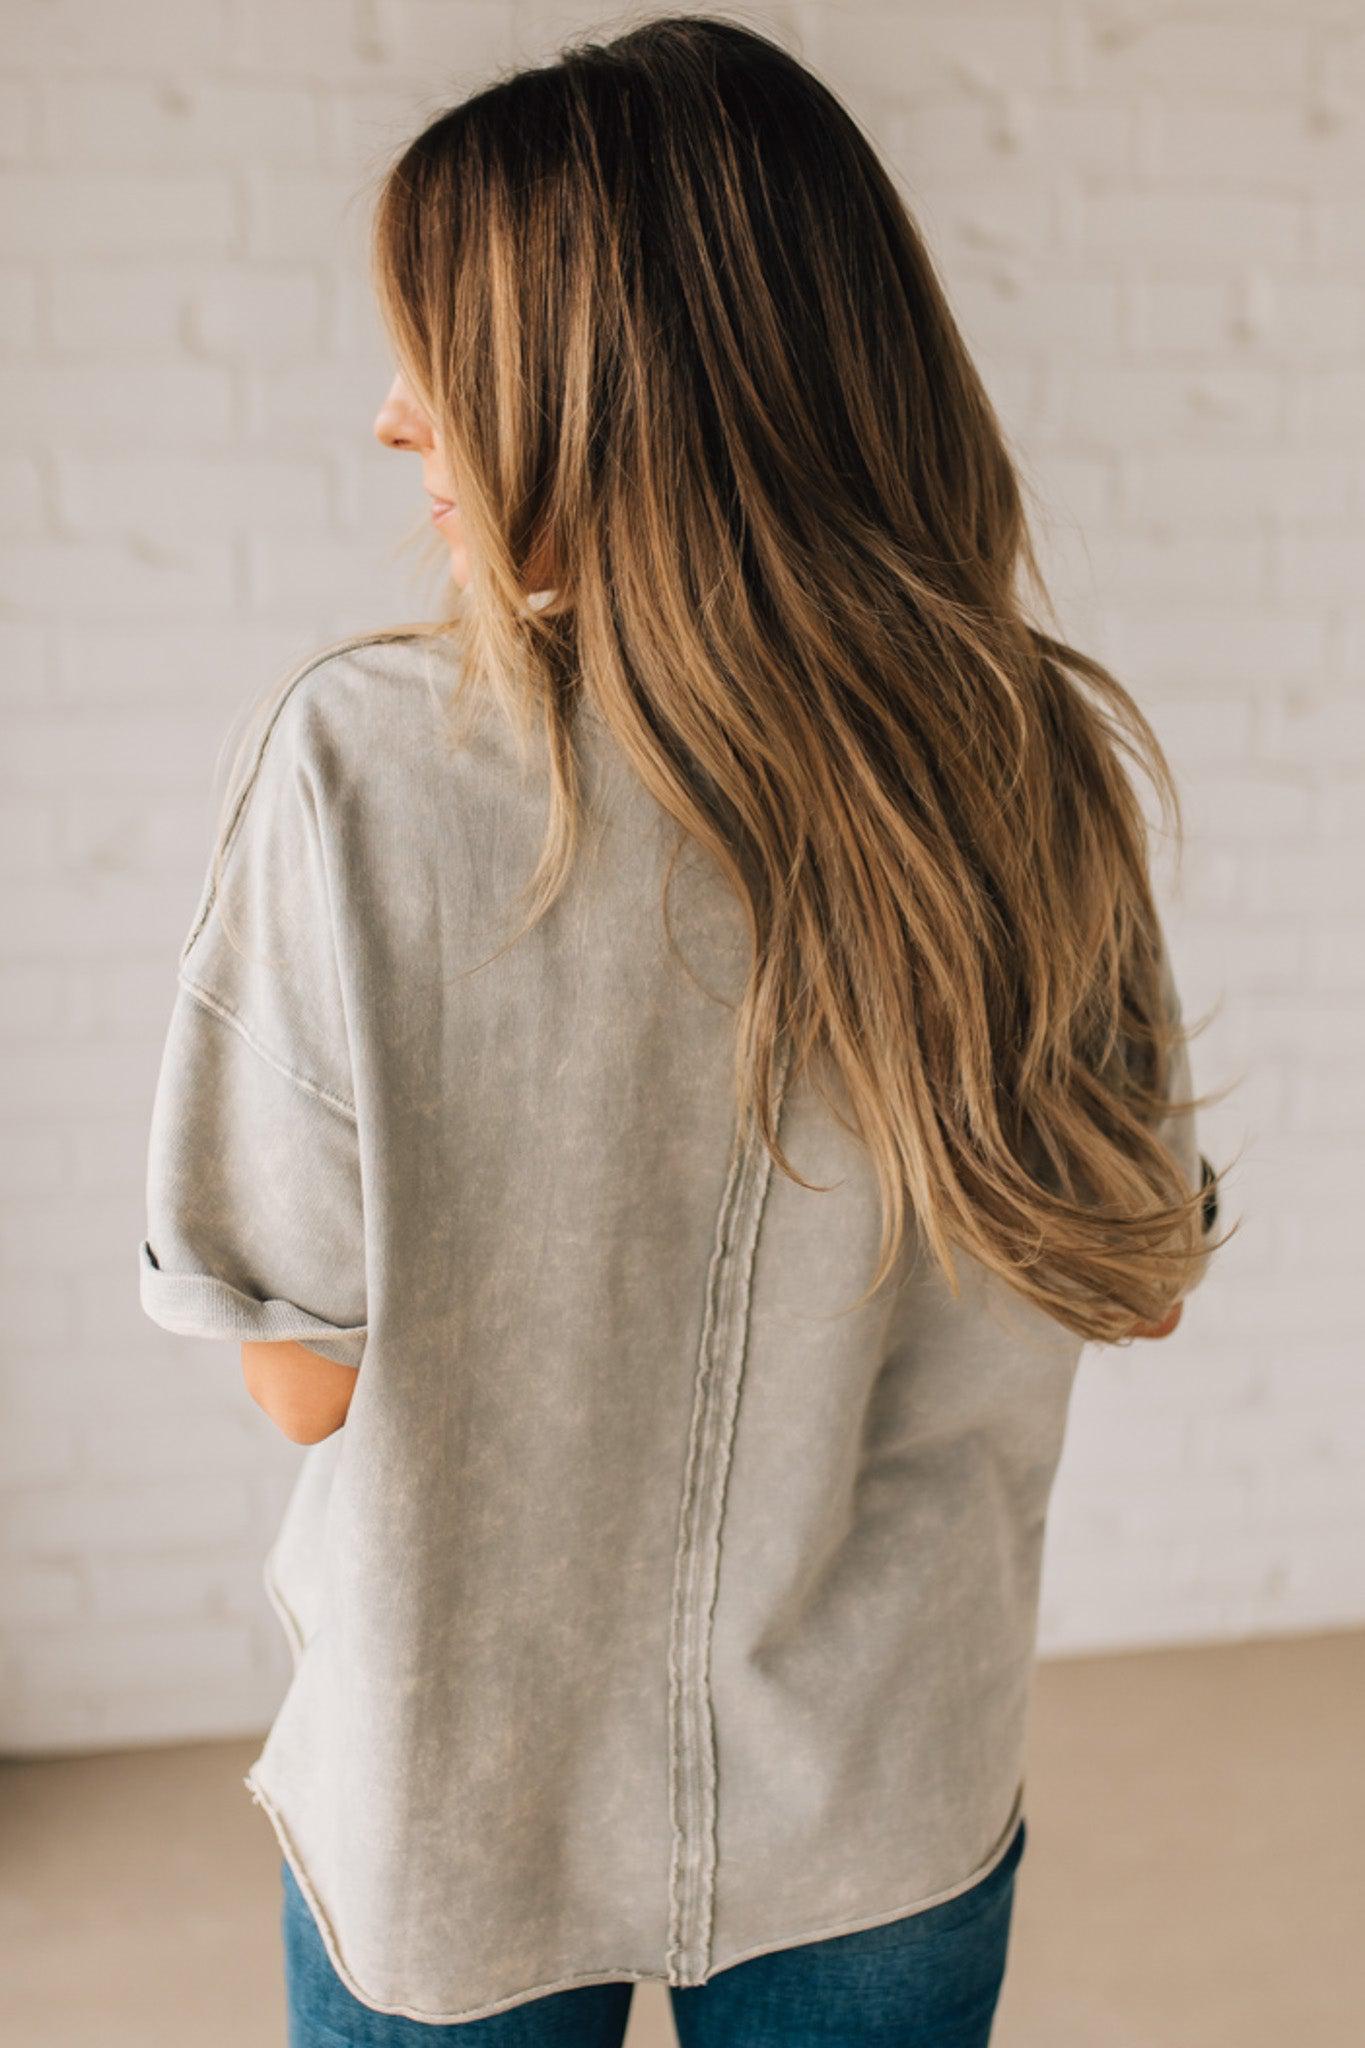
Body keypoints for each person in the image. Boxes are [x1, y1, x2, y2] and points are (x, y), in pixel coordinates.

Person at [137, 15, 1230, 2045]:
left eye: (445, 358)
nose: (395, 418)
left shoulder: (366, 764)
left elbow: (301, 1380)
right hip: (881, 1774)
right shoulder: (1027, 760)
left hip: (457, 1789)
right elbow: (1135, 1276)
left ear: (612, 393)